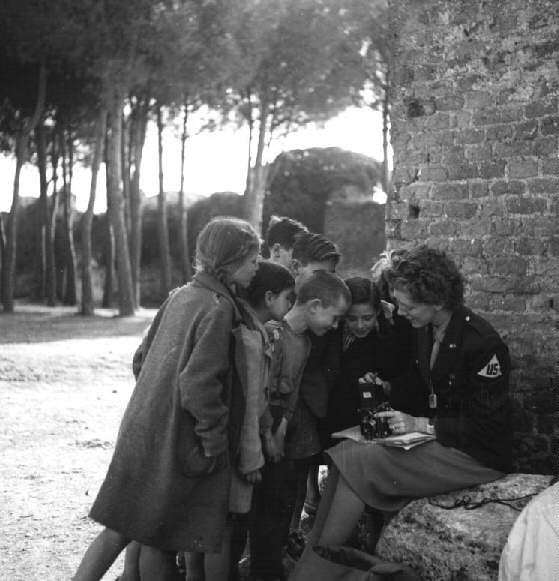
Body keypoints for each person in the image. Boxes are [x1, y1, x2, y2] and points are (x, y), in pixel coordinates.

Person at [289, 245, 512, 580]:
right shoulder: (425, 328)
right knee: (345, 453)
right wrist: (389, 388)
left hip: (474, 454)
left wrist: (423, 424)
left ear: (436, 299)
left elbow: (487, 425)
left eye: (408, 306)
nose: (401, 312)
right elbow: (425, 383)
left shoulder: (481, 343)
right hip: (442, 440)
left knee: (362, 460)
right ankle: (315, 558)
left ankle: (315, 571)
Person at [72, 216, 260, 581]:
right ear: (232, 259)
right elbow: (200, 385)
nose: (257, 267)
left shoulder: (181, 296)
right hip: (177, 443)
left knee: (125, 529)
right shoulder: (218, 309)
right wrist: (212, 441)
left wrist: (156, 401)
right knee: (157, 534)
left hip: (143, 430)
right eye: (253, 259)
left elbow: (141, 360)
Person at [249, 270, 351, 581]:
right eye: (334, 318)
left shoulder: (304, 343)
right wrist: (269, 433)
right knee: (263, 513)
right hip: (258, 440)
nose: (334, 326)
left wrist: (281, 431)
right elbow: (260, 391)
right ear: (315, 305)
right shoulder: (272, 335)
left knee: (280, 508)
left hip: (281, 438)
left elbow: (292, 394)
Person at [287, 232, 342, 524]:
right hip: (279, 410)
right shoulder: (279, 308)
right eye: (320, 273)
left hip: (308, 407)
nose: (327, 282)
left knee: (297, 477)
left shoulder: (326, 309)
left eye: (331, 275)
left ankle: (291, 533)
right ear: (296, 267)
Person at [325, 277, 404, 439]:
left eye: (367, 318)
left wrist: (382, 384)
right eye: (352, 319)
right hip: (329, 420)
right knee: (324, 465)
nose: (360, 325)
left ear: (378, 312)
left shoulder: (389, 336)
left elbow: (398, 377)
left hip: (371, 427)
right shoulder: (329, 332)